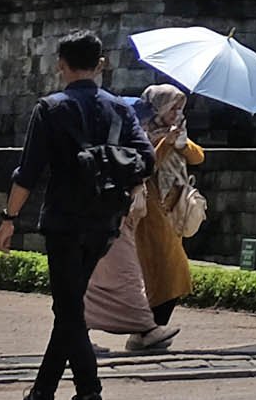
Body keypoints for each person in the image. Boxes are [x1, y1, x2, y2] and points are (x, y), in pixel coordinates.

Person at [0, 34, 145, 400]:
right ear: (101, 64)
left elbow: (28, 173)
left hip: (63, 219)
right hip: (105, 219)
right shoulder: (120, 109)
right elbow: (145, 158)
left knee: (68, 307)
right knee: (70, 306)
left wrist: (9, 219)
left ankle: (89, 394)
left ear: (61, 64)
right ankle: (42, 392)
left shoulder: (51, 109)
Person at [80, 81, 203, 353]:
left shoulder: (172, 131)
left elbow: (197, 157)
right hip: (147, 207)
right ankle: (146, 329)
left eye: (180, 109)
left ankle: (148, 329)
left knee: (161, 272)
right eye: (173, 108)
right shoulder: (140, 132)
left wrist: (180, 142)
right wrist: (164, 143)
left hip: (168, 209)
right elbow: (143, 165)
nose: (177, 114)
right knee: (167, 270)